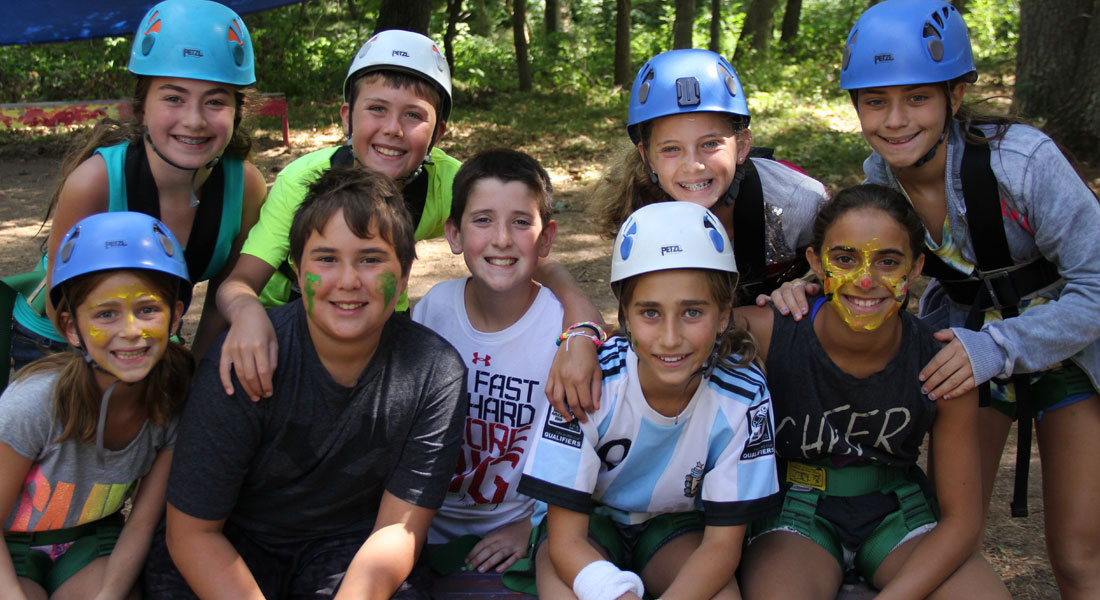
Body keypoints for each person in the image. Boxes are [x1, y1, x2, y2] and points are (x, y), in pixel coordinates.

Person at [767, 1, 1100, 596]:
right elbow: (869, 257)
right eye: (874, 101)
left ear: (956, 94)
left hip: (1069, 341)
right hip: (964, 344)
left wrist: (1000, 345)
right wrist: (811, 285)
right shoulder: (880, 174)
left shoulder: (1021, 162)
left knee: (1080, 553)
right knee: (950, 530)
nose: (895, 120)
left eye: (917, 98)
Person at [216, 29, 601, 403]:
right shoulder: (303, 182)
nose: (393, 129)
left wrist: (581, 324)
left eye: (413, 116)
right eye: (377, 109)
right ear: (347, 117)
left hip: (374, 308)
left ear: (439, 133)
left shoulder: (451, 183)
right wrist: (248, 313)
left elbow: (534, 256)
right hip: (286, 311)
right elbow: (240, 284)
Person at [144, 167, 466, 599]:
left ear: (405, 275)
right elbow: (193, 533)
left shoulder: (434, 372)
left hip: (351, 550)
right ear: (298, 273)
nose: (349, 281)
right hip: (232, 544)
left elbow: (397, 531)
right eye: (327, 259)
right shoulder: (240, 357)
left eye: (371, 259)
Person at [736, 184, 1010, 599]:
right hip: (795, 514)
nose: (865, 280)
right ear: (815, 260)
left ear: (916, 268)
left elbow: (962, 521)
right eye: (844, 259)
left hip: (900, 516)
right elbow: (676, 332)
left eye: (887, 261)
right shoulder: (765, 333)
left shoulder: (943, 364)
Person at [519, 202, 781, 600]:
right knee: (561, 586)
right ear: (623, 314)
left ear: (725, 313)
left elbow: (720, 548)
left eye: (692, 312)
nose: (671, 337)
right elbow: (565, 543)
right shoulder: (590, 383)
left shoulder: (744, 396)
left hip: (675, 527)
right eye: (650, 313)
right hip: (587, 526)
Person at [7, 0, 266, 367]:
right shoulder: (95, 182)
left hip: (146, 338)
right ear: (142, 107)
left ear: (238, 112)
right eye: (174, 98)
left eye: (215, 102)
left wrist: (196, 374)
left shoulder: (245, 188)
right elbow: (57, 300)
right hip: (59, 337)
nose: (194, 120)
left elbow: (224, 298)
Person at [1, 212, 194, 600]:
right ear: (71, 328)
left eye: (147, 309)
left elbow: (141, 523)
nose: (130, 331)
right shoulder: (33, 404)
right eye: (106, 314)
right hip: (11, 547)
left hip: (91, 543)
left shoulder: (173, 403)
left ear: (174, 316)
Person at [412, 149, 562, 574]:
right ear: (454, 235)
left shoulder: (562, 327)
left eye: (520, 221)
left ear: (546, 238)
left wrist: (533, 526)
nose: (501, 239)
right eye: (482, 220)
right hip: (423, 524)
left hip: (517, 529)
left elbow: (581, 447)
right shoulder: (434, 309)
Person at [591, 48, 829, 304]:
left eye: (710, 144)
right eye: (672, 149)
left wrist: (806, 285)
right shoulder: (639, 214)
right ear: (647, 157)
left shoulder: (798, 203)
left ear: (742, 145)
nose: (693, 165)